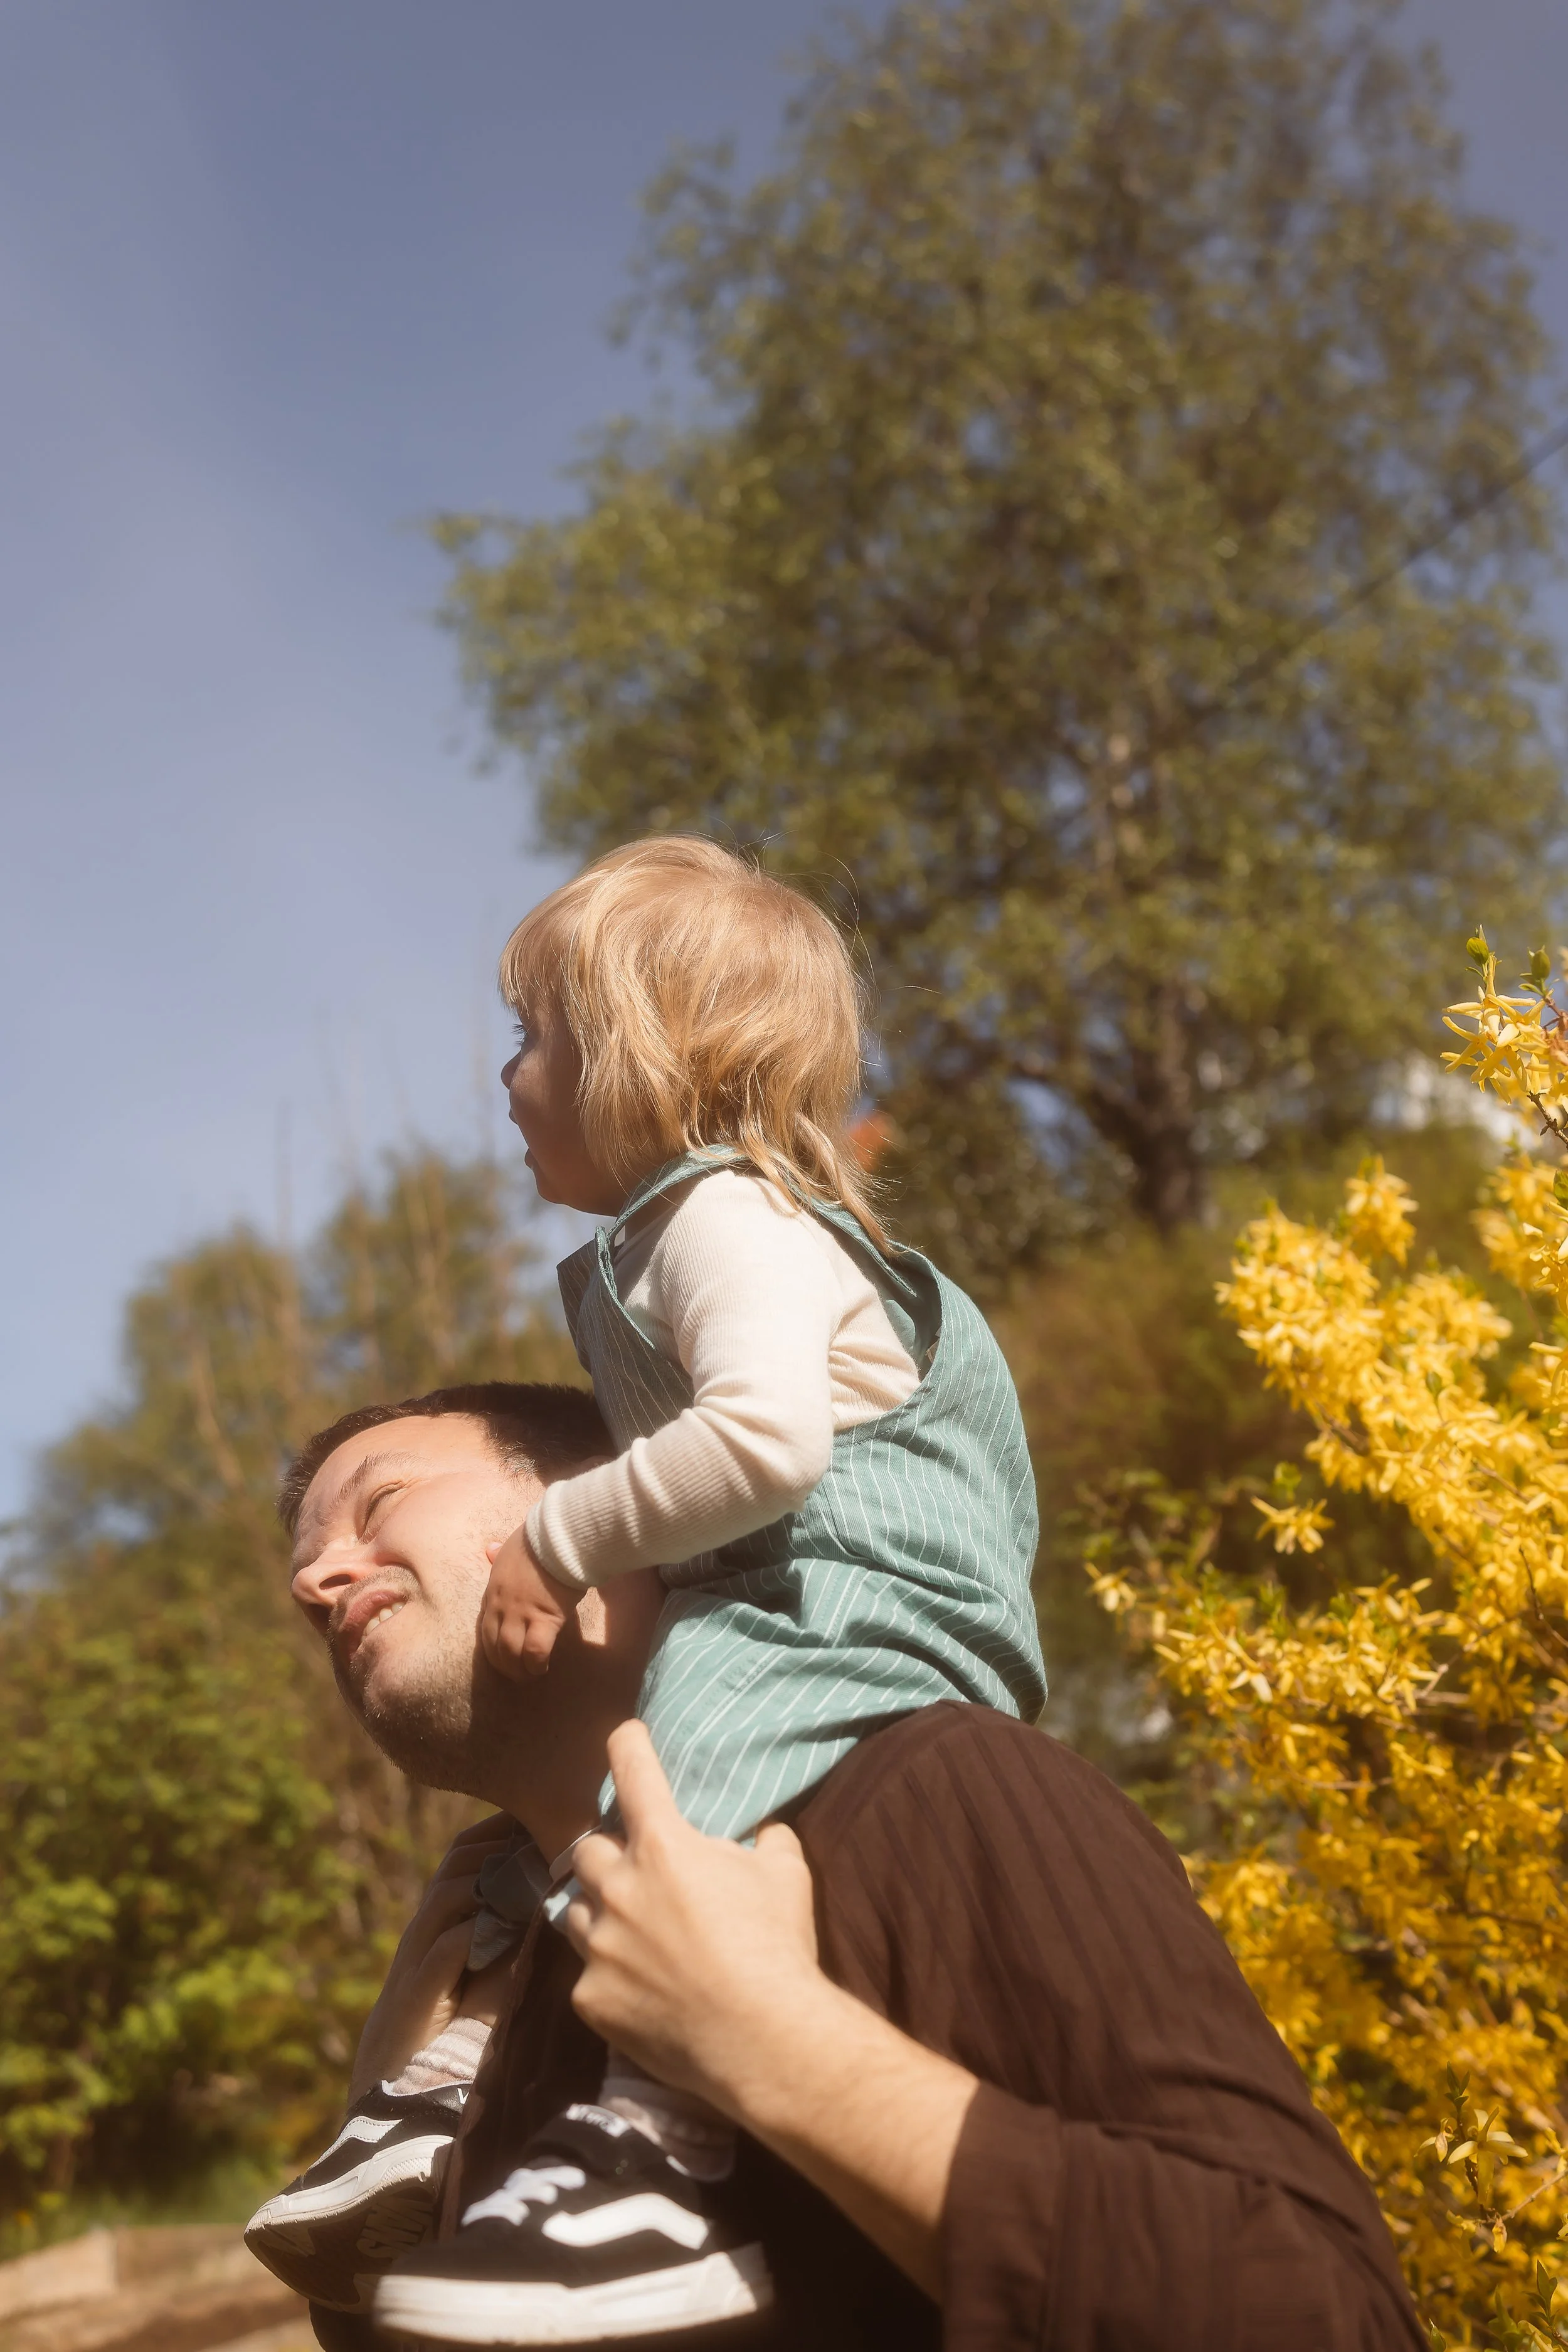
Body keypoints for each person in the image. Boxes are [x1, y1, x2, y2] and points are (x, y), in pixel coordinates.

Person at [252, 1386, 1425, 2352]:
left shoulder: (932, 1787)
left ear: (618, 1498)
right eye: (307, 1575)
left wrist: (776, 2044)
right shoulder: (508, 2015)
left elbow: (1327, 2315)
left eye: (382, 1500)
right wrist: (394, 2128)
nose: (316, 1583)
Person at [364, 837, 1047, 2341]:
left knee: (672, 1783)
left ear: (640, 1056)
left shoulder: (727, 1218)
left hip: (860, 1589)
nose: (505, 1076)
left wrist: (556, 1540)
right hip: (790, 1581)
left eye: (532, 1037)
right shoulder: (671, 1235)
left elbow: (765, 1441)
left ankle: (656, 2154)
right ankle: (446, 2085)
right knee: (547, 1818)